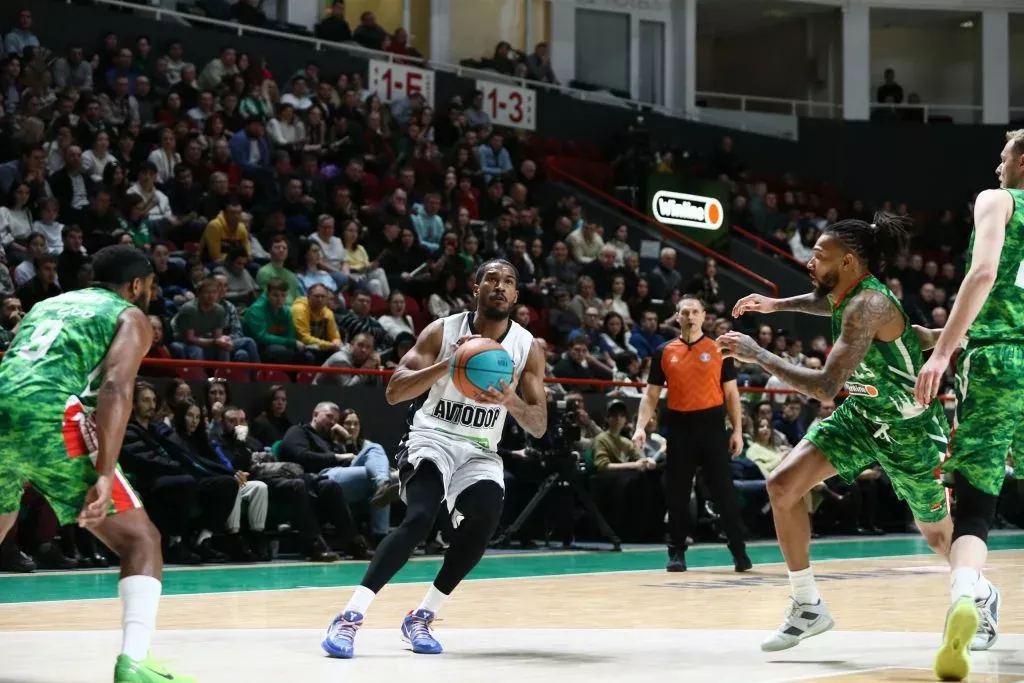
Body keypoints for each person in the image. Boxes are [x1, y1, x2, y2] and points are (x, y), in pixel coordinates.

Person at [719, 212, 973, 657]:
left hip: (909, 428)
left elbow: (824, 388)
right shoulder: (848, 296)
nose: (810, 261)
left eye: (820, 255)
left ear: (850, 261)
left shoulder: (868, 305)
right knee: (782, 486)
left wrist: (758, 354)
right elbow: (828, 304)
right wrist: (775, 306)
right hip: (861, 415)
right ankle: (807, 606)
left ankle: (977, 595)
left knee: (936, 536)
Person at [323, 259, 548, 658]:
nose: (500, 286)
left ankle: (421, 616)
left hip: (480, 449)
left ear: (516, 295)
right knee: (420, 518)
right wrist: (450, 364)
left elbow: (539, 424)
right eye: (491, 279)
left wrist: (510, 400)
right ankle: (349, 617)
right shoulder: (442, 331)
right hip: (431, 438)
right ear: (475, 288)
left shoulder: (526, 347)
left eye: (509, 282)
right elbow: (394, 391)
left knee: (485, 520)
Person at [0, 245, 195, 682]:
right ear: (137, 285)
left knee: (2, 518)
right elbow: (115, 388)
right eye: (150, 286)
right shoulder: (129, 316)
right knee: (141, 540)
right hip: (49, 413)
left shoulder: (47, 305)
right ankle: (135, 662)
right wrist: (105, 473)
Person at [913, 131, 1024, 680]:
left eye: (1004, 157)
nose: (998, 167)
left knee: (976, 500)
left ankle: (966, 594)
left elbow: (984, 275)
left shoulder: (998, 200)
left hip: (998, 363)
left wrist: (943, 352)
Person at [632, 296, 751, 574]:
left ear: (703, 316)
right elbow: (650, 395)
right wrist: (639, 426)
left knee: (724, 492)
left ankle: (739, 551)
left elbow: (731, 393)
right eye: (685, 312)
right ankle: (676, 552)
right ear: (677, 317)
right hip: (679, 426)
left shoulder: (719, 349)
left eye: (695, 312)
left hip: (712, 426)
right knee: (677, 493)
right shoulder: (663, 351)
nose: (690, 316)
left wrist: (737, 430)